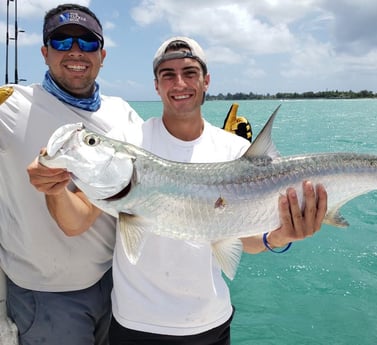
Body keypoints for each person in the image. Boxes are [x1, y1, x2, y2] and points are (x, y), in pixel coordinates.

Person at [39, 36, 327, 344]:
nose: (179, 84)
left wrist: (281, 236)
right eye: (168, 75)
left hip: (210, 324)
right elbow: (75, 222)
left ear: (206, 81)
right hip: (134, 325)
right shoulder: (128, 139)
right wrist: (53, 189)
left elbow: (249, 240)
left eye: (190, 73)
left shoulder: (235, 149)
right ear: (156, 86)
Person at [0, 4, 143, 345]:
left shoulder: (121, 112)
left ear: (103, 55)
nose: (76, 51)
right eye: (62, 42)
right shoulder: (9, 105)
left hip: (116, 284)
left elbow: (158, 167)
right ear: (45, 52)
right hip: (45, 294)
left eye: (88, 43)